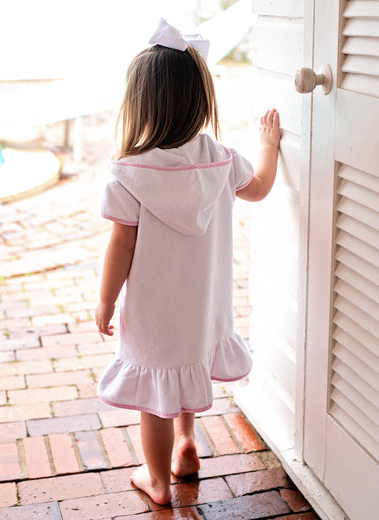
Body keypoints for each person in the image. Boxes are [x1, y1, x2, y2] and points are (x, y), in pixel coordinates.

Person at [95, 18, 280, 505]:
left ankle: (157, 479)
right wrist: (269, 145)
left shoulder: (130, 174)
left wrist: (105, 301)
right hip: (202, 309)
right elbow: (259, 188)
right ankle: (186, 445)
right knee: (185, 368)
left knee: (156, 391)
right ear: (199, 99)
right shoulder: (220, 159)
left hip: (155, 316)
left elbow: (121, 247)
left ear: (140, 104)